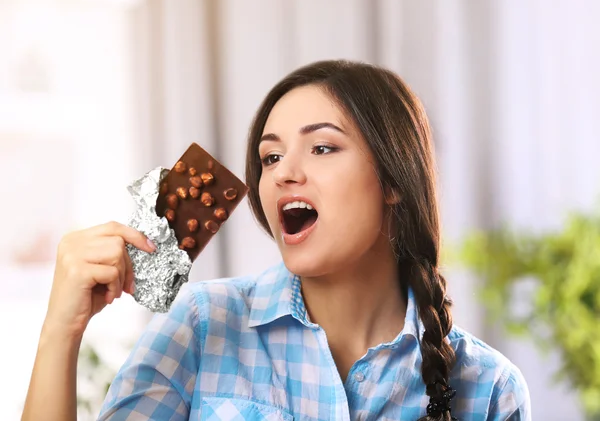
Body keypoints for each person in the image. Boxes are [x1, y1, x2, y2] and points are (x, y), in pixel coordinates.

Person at [22, 60, 531, 421]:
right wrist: (59, 333)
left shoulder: (490, 388)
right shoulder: (203, 325)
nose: (285, 172)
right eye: (270, 157)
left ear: (394, 180)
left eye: (322, 147)